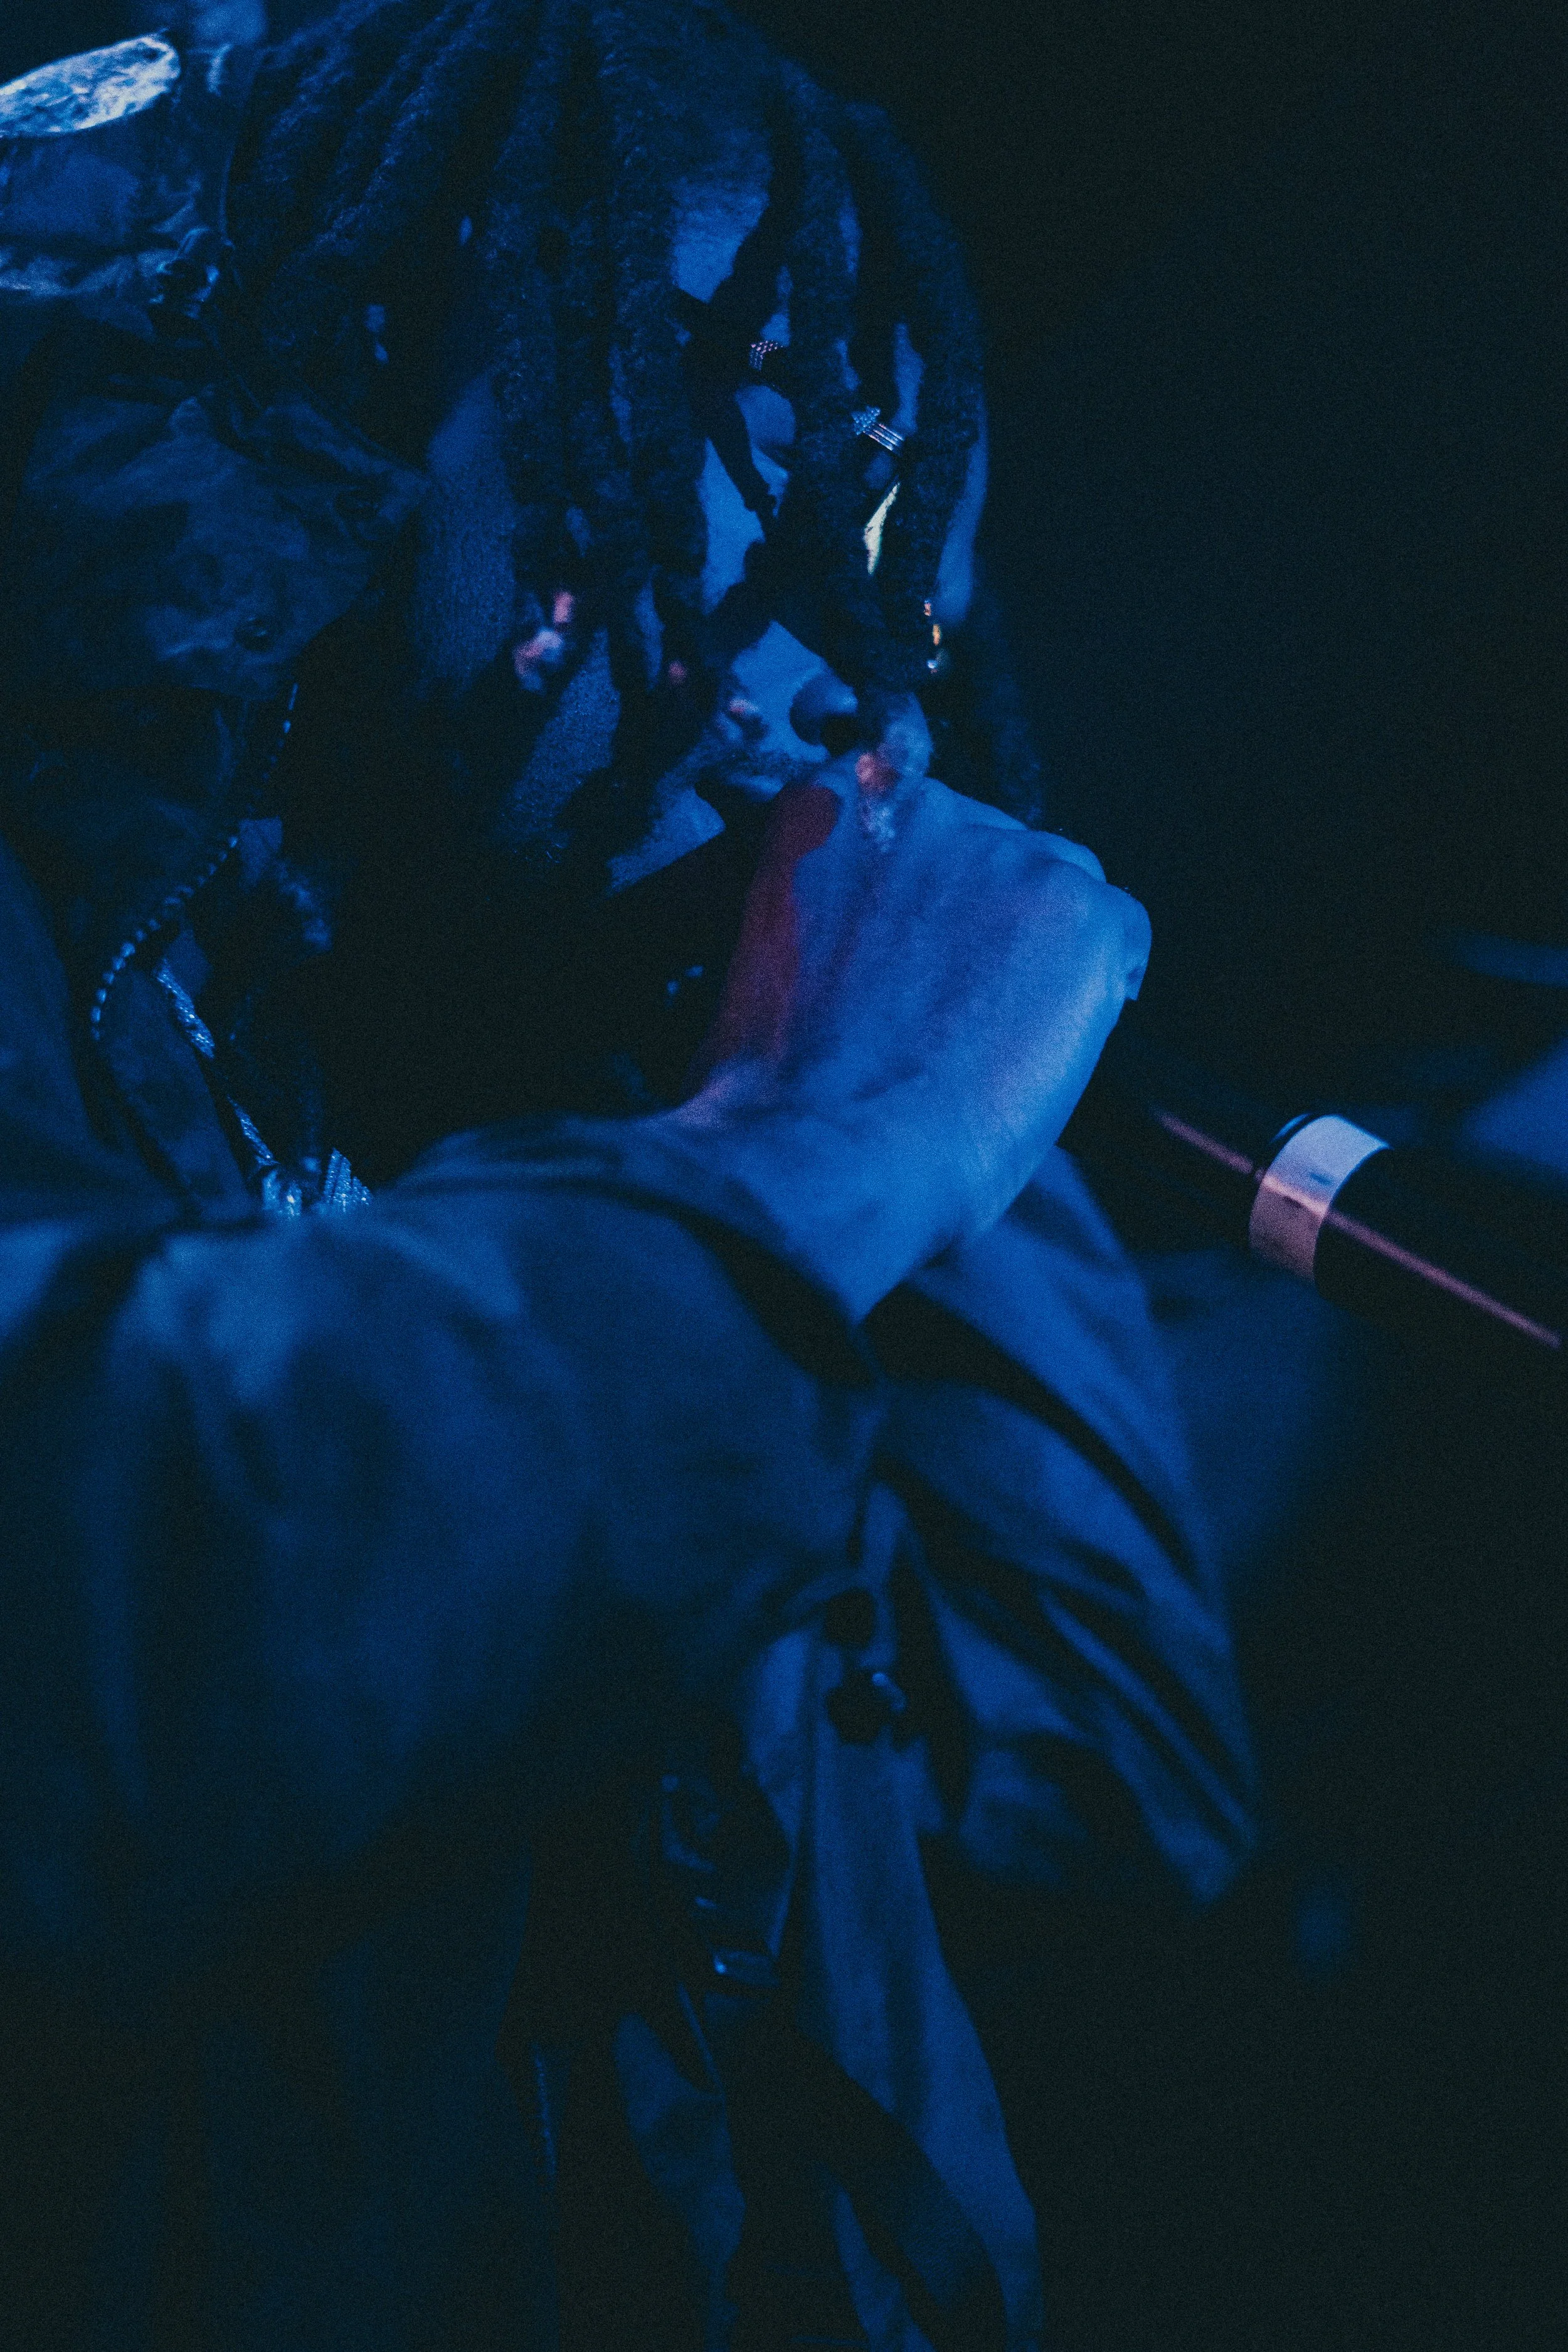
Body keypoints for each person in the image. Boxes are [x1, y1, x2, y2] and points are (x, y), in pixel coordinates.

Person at [0, 5, 1255, 2346]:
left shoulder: (486, 1068)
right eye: (767, 440)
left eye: (902, 535)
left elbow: (1101, 1797)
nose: (852, 650)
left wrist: (908, 1115)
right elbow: (90, 1625)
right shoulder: (77, 933)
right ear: (378, 360)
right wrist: (820, 1146)